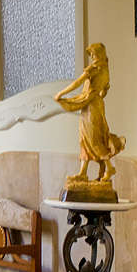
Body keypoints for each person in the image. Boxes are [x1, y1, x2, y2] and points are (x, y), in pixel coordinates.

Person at [54, 42, 125, 185]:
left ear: (99, 53)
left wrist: (60, 93)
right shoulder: (105, 69)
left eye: (93, 53)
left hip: (92, 106)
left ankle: (109, 168)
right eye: (91, 54)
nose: (92, 56)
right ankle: (83, 172)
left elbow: (77, 82)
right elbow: (103, 91)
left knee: (93, 139)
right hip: (93, 105)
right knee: (84, 138)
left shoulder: (96, 68)